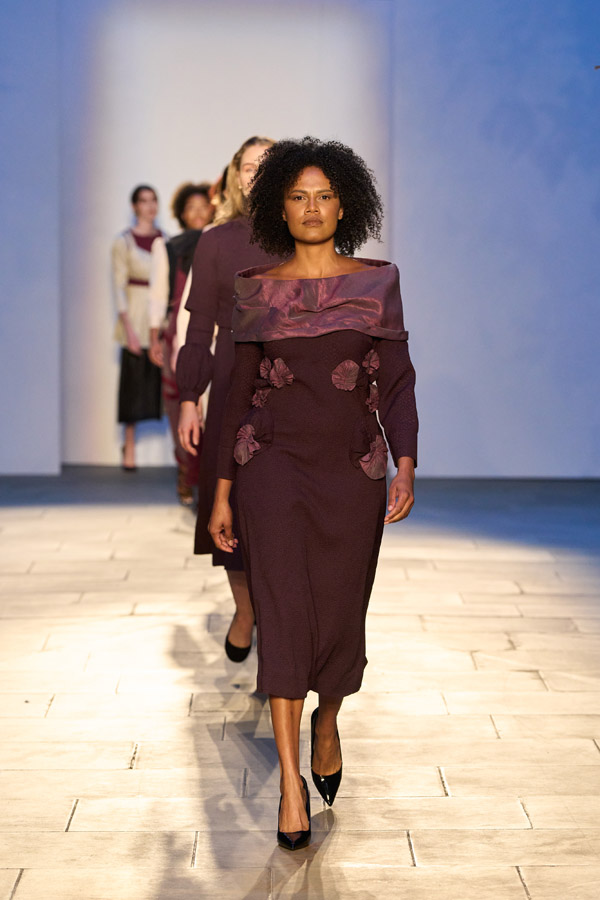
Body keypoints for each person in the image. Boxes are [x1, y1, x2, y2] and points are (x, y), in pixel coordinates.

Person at [207, 137, 418, 850]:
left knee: (340, 613)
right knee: (285, 615)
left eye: (324, 195)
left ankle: (329, 719)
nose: (312, 207)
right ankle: (291, 786)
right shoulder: (255, 288)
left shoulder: (378, 284)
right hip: (271, 468)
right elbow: (239, 395)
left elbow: (397, 383)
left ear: (345, 205)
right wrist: (223, 492)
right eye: (297, 196)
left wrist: (406, 462)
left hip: (351, 472)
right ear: (278, 207)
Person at [177, 136, 279, 660]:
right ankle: (246, 609)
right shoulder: (216, 241)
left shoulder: (301, 237)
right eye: (249, 166)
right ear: (236, 175)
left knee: (279, 505)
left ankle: (275, 617)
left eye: (268, 165)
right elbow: (199, 328)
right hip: (232, 377)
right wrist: (188, 398)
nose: (257, 174)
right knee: (231, 503)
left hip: (288, 383)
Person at [148, 183, 213, 504]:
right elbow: (158, 295)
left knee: (212, 406)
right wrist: (154, 337)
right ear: (181, 214)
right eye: (191, 208)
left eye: (204, 206)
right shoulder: (169, 247)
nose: (198, 213)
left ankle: (209, 479)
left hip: (213, 330)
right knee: (179, 406)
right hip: (177, 331)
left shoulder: (219, 243)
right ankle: (186, 474)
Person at [111, 185, 164, 470]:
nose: (150, 206)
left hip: (159, 317)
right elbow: (118, 287)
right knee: (132, 385)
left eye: (153, 200)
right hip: (134, 315)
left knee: (164, 382)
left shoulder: (165, 241)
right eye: (144, 201)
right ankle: (128, 444)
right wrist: (128, 329)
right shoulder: (124, 242)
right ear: (135, 206)